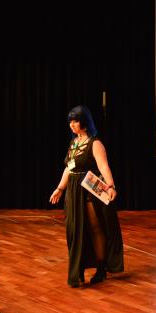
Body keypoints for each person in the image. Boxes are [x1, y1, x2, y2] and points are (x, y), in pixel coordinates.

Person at [49, 105, 123, 288]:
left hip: (88, 190)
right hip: (73, 191)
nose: (72, 125)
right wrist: (60, 188)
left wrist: (111, 185)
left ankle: (101, 269)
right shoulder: (74, 143)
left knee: (94, 229)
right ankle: (78, 270)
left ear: (84, 122)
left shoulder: (95, 143)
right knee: (75, 231)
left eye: (75, 121)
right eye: (70, 122)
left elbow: (103, 166)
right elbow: (69, 168)